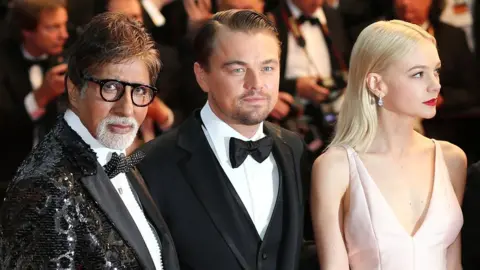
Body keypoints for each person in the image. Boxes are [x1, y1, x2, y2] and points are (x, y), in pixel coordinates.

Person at [0, 12, 179, 270]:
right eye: (110, 87)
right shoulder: (42, 187)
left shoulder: (115, 155)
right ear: (74, 90)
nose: (126, 109)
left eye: (139, 91)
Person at [137, 9, 309, 270]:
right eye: (238, 69)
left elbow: (297, 249)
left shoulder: (294, 149)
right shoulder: (151, 165)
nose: (256, 83)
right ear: (202, 76)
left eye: (267, 67)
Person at [311, 20, 466, 270]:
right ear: (376, 84)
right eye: (418, 73)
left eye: (435, 70)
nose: (435, 84)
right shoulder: (335, 167)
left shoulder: (451, 159)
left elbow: (452, 263)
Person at [0, 0, 69, 189]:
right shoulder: (4, 63)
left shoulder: (68, 59)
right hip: (9, 179)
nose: (64, 35)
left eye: (64, 25)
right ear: (27, 31)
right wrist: (40, 97)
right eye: (53, 28)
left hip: (59, 178)